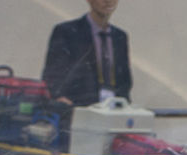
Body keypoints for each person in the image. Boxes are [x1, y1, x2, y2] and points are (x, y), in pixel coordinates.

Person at [42, 0, 133, 146]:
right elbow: (53, 72)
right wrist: (60, 97)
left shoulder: (119, 36)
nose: (108, 2)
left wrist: (124, 105)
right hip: (79, 111)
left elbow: (125, 78)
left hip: (112, 112)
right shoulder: (68, 32)